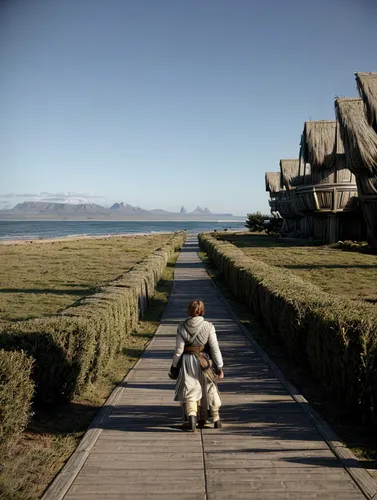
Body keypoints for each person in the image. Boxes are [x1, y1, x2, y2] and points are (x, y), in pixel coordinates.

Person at [169, 299, 224, 432]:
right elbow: (215, 348)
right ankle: (216, 418)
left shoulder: (182, 326)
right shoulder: (208, 326)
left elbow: (179, 350)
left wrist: (174, 366)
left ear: (189, 310)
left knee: (190, 386)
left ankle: (192, 417)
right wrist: (219, 366)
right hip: (204, 360)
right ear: (202, 310)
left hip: (187, 360)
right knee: (210, 386)